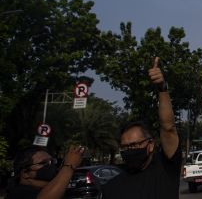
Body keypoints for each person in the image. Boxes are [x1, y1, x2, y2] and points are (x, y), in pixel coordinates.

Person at [102, 57, 181, 199]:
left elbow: (168, 127)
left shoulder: (166, 168)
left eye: (134, 145)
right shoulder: (111, 188)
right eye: (125, 147)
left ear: (150, 145)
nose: (130, 150)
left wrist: (162, 89)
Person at [7, 145, 84, 199]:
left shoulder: (46, 189)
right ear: (25, 173)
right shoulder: (19, 193)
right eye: (43, 163)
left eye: (52, 161)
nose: (50, 165)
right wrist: (69, 166)